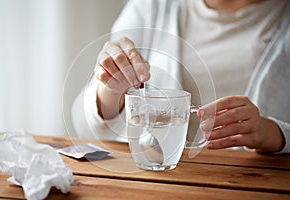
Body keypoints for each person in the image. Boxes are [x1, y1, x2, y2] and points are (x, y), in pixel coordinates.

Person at [72, 0, 290, 153]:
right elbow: (84, 125)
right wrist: (111, 89)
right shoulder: (152, 6)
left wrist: (272, 133)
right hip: (159, 180)